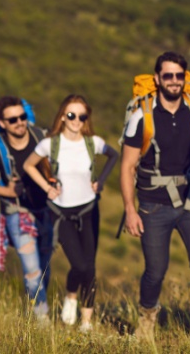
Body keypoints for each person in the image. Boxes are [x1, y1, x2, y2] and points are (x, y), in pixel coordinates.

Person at [119, 51, 190, 343]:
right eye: (168, 75)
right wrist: (130, 209)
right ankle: (146, 324)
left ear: (185, 78)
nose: (174, 81)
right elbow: (127, 167)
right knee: (155, 270)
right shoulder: (142, 116)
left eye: (179, 75)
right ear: (157, 79)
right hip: (153, 206)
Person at [23, 94, 119, 331]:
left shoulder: (92, 142)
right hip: (61, 213)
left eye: (81, 116)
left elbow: (114, 155)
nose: (76, 120)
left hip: (88, 210)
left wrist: (101, 182)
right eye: (71, 115)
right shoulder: (50, 144)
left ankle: (86, 322)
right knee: (80, 265)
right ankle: (70, 294)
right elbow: (28, 165)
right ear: (63, 117)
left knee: (90, 266)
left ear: (86, 118)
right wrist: (47, 187)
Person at [0, 96, 51, 322]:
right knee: (32, 269)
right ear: (2, 123)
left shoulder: (41, 137)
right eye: (13, 119)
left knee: (44, 266)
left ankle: (37, 307)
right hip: (17, 213)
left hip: (46, 210)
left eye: (22, 116)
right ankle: (43, 321)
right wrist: (7, 192)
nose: (19, 122)